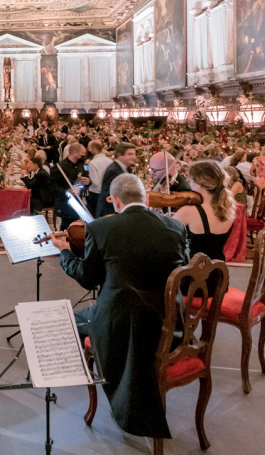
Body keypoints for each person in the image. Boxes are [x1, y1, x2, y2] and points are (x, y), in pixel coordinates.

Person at [50, 174, 188, 441]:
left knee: (72, 319)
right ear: (145, 198)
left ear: (114, 202)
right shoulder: (176, 228)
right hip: (168, 326)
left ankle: (93, 380)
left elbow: (87, 278)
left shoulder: (101, 229)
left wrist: (65, 251)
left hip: (121, 326)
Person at [173, 160, 236, 260]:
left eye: (190, 181)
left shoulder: (188, 211)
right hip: (219, 271)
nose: (189, 185)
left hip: (195, 272)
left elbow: (166, 233)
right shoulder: (228, 209)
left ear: (200, 184)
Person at [50, 143, 90, 229]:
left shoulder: (80, 165)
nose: (83, 156)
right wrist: (66, 193)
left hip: (78, 201)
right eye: (82, 153)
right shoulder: (59, 167)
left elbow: (85, 176)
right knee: (66, 227)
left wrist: (88, 181)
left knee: (75, 225)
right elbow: (52, 186)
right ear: (75, 153)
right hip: (65, 203)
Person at [96, 142, 136, 217]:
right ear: (120, 155)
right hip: (110, 213)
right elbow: (111, 196)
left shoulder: (125, 169)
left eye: (134, 154)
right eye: (130, 154)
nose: (134, 157)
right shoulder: (114, 171)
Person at [86, 140, 112, 216]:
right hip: (108, 193)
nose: (88, 150)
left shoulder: (93, 163)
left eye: (89, 148)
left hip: (95, 195)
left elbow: (95, 182)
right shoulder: (110, 161)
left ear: (94, 149)